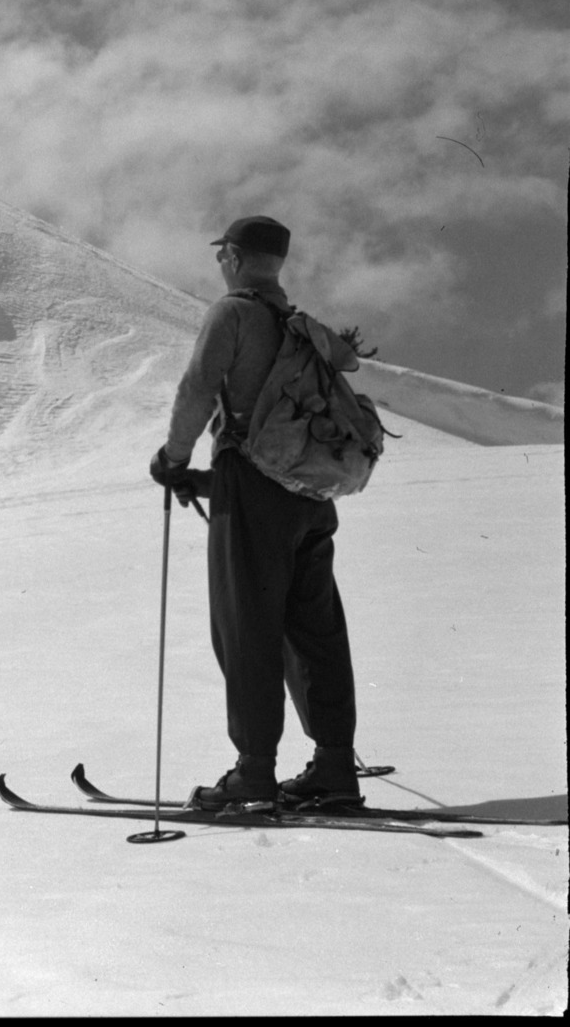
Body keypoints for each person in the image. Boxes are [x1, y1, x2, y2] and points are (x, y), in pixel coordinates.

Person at [149, 215, 362, 810]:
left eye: (223, 255)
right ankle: (334, 771)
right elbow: (279, 447)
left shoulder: (234, 314)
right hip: (312, 501)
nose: (220, 264)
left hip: (253, 501)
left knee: (248, 629)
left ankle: (254, 774)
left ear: (236, 258)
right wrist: (208, 480)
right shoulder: (302, 329)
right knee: (315, 633)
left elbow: (198, 389)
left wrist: (173, 458)